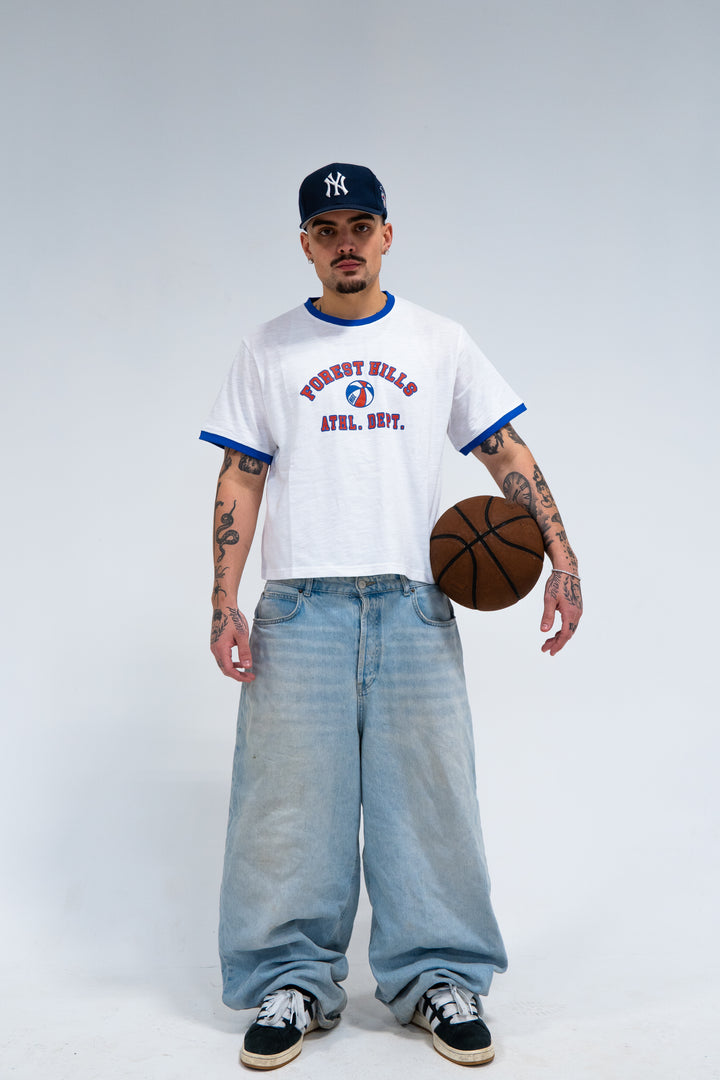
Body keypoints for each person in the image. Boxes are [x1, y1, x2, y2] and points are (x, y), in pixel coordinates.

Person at [200, 162, 582, 1070]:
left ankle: (439, 977)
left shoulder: (439, 341)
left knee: (431, 805)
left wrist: (562, 555)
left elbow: (505, 449)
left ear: (386, 235)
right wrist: (223, 600)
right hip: (300, 608)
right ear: (305, 244)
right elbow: (240, 475)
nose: (346, 243)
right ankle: (290, 980)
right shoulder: (267, 348)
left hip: (414, 602)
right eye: (327, 230)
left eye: (361, 226)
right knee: (287, 811)